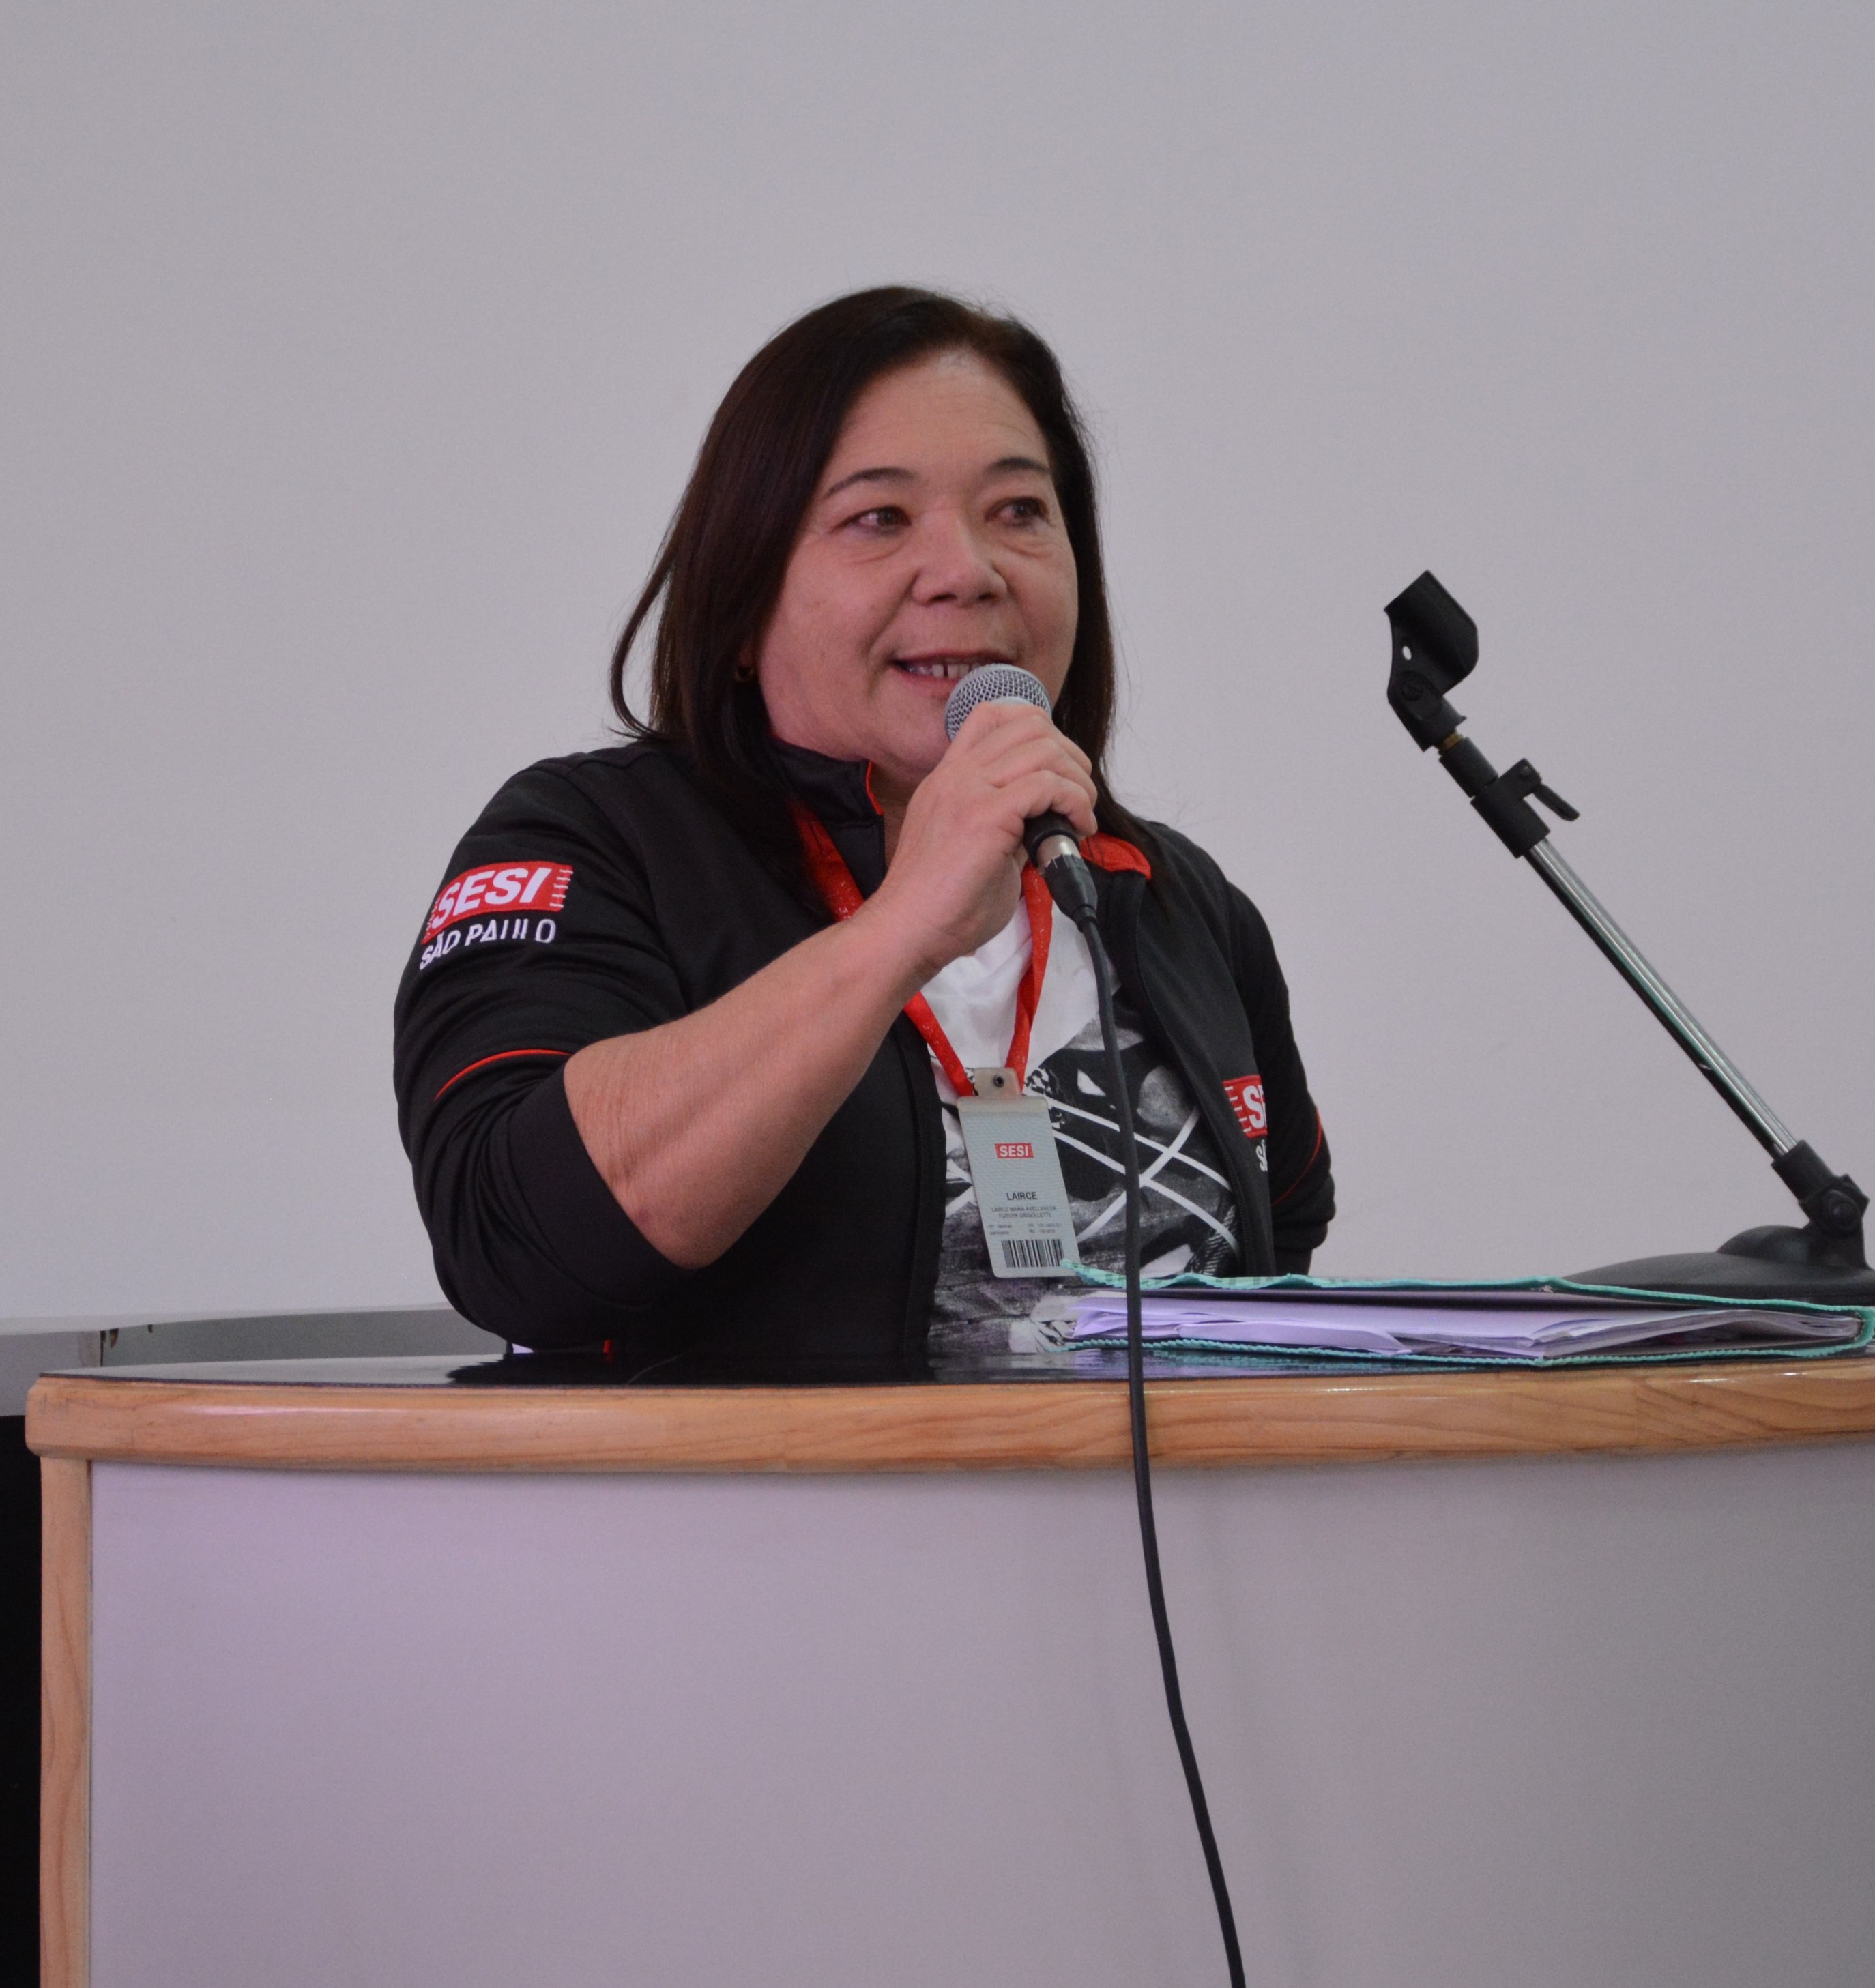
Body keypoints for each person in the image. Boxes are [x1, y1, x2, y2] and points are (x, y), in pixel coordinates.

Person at [394, 287, 1333, 1373]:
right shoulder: (594, 843)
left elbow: (1283, 1251)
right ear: (742, 599)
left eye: (1019, 510)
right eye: (880, 519)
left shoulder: (1162, 894)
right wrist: (901, 929)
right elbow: (512, 1242)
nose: (968, 571)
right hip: (741, 1494)